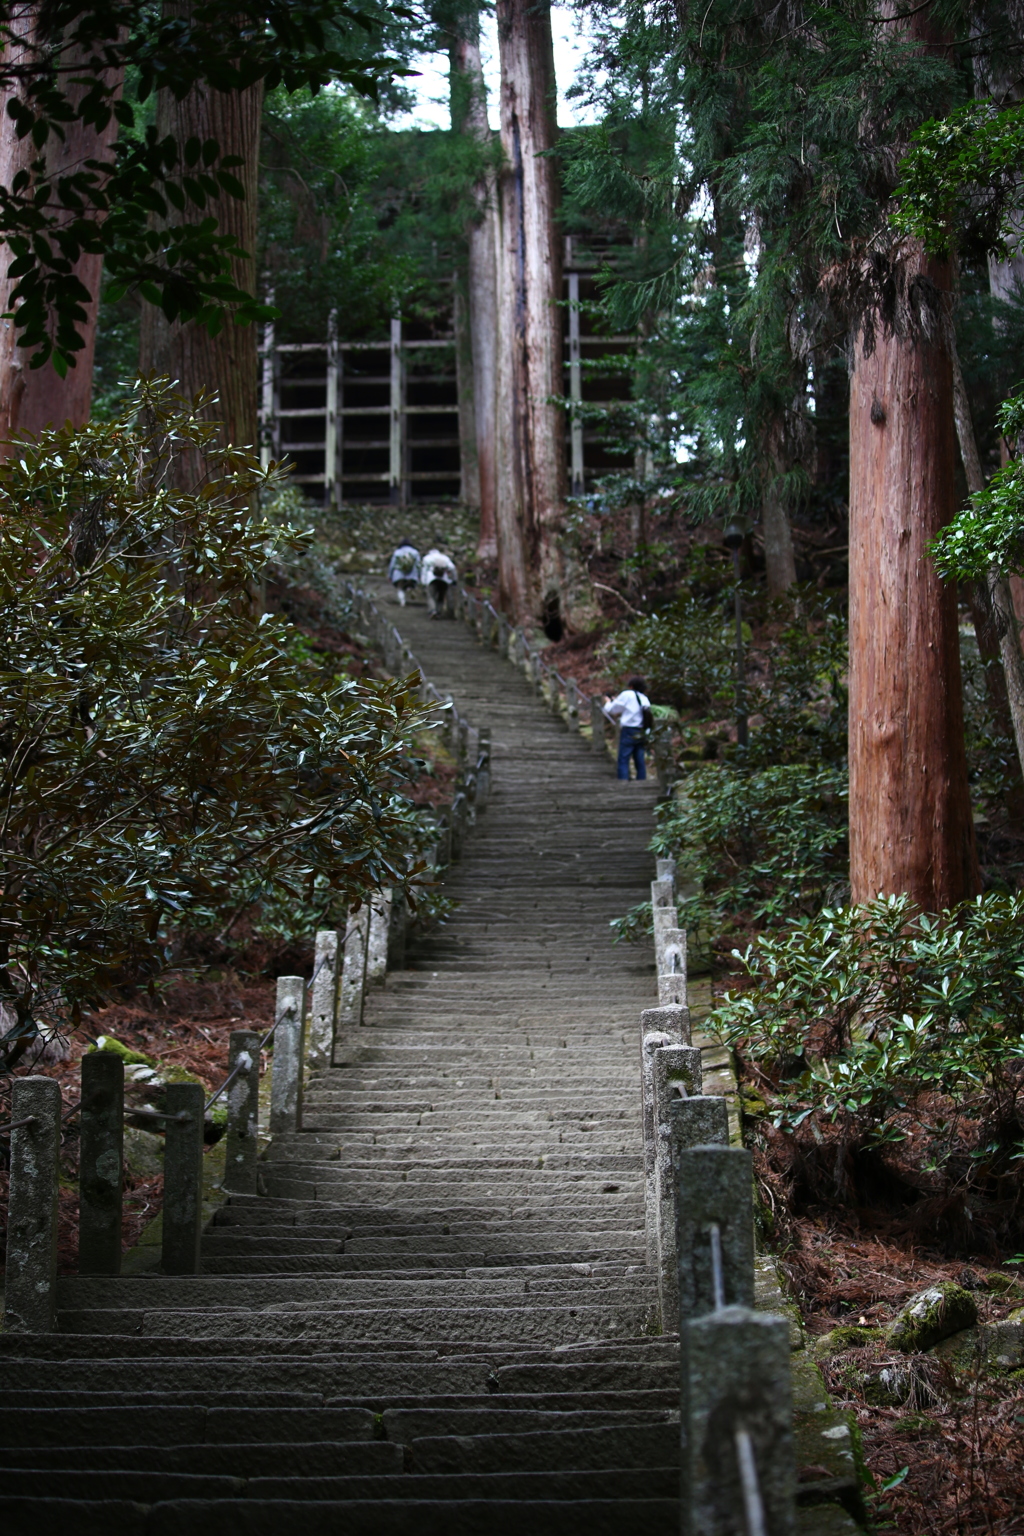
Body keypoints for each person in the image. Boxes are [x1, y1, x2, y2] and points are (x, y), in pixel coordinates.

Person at [604, 675, 653, 781]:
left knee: (623, 758)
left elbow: (612, 709)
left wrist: (608, 701)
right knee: (639, 759)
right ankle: (642, 782)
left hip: (628, 730)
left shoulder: (627, 694)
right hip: (641, 731)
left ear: (631, 686)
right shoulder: (644, 698)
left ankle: (623, 782)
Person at [421, 547, 457, 618]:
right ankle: (439, 611)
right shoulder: (445, 558)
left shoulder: (427, 558)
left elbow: (424, 571)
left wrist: (424, 582)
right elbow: (452, 568)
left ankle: (433, 610)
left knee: (431, 596)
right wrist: (454, 579)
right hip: (444, 579)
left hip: (431, 579)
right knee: (441, 596)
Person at [388, 540, 421, 606]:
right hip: (412, 574)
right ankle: (410, 589)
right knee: (410, 585)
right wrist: (419, 575)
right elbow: (418, 565)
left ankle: (402, 601)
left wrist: (390, 575)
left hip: (399, 574)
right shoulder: (415, 552)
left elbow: (392, 565)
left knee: (400, 588)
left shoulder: (397, 552)